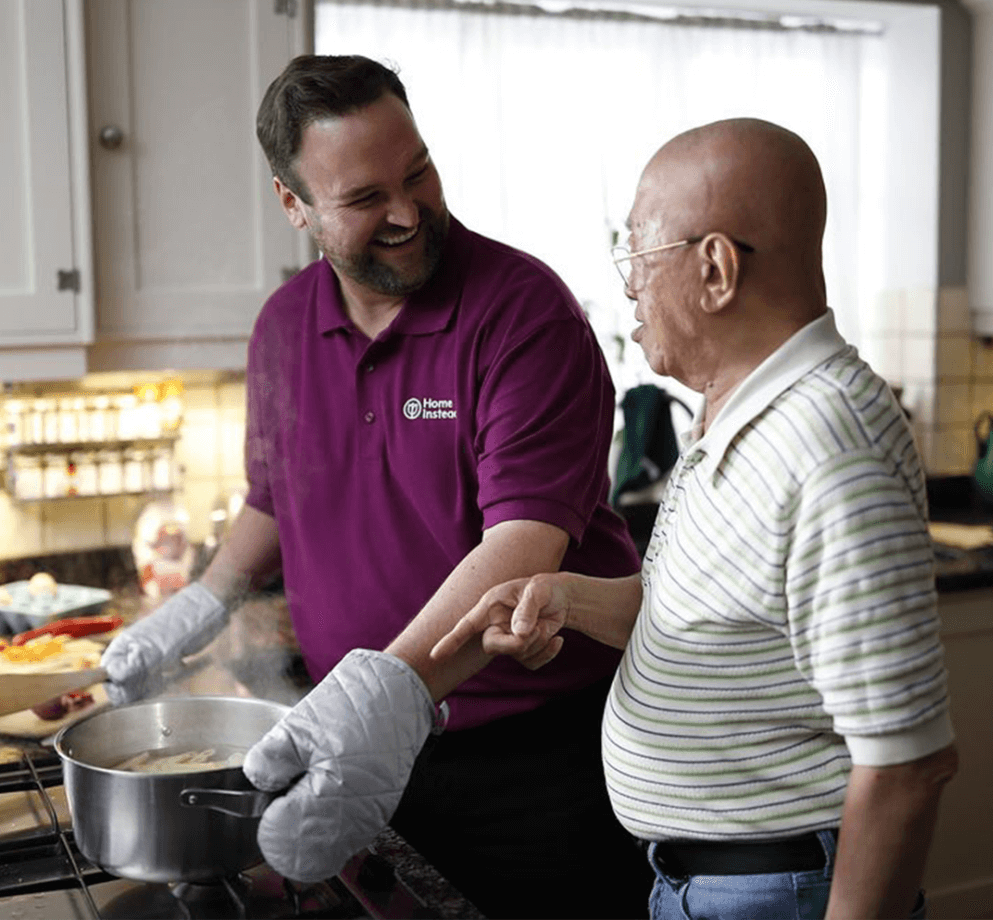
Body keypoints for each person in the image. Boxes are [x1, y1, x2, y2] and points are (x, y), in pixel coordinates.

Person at [99, 54, 651, 919]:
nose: (407, 212)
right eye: (364, 198)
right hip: (353, 751)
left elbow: (521, 549)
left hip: (534, 765)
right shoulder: (284, 327)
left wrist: (383, 697)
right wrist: (201, 602)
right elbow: (275, 496)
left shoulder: (524, 313)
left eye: (419, 171)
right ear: (295, 206)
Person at [433, 118, 959, 920]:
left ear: (714, 269)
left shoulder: (826, 444)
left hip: (779, 892)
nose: (629, 285)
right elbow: (707, 612)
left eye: (637, 253)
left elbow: (909, 762)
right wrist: (567, 598)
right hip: (707, 883)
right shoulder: (739, 412)